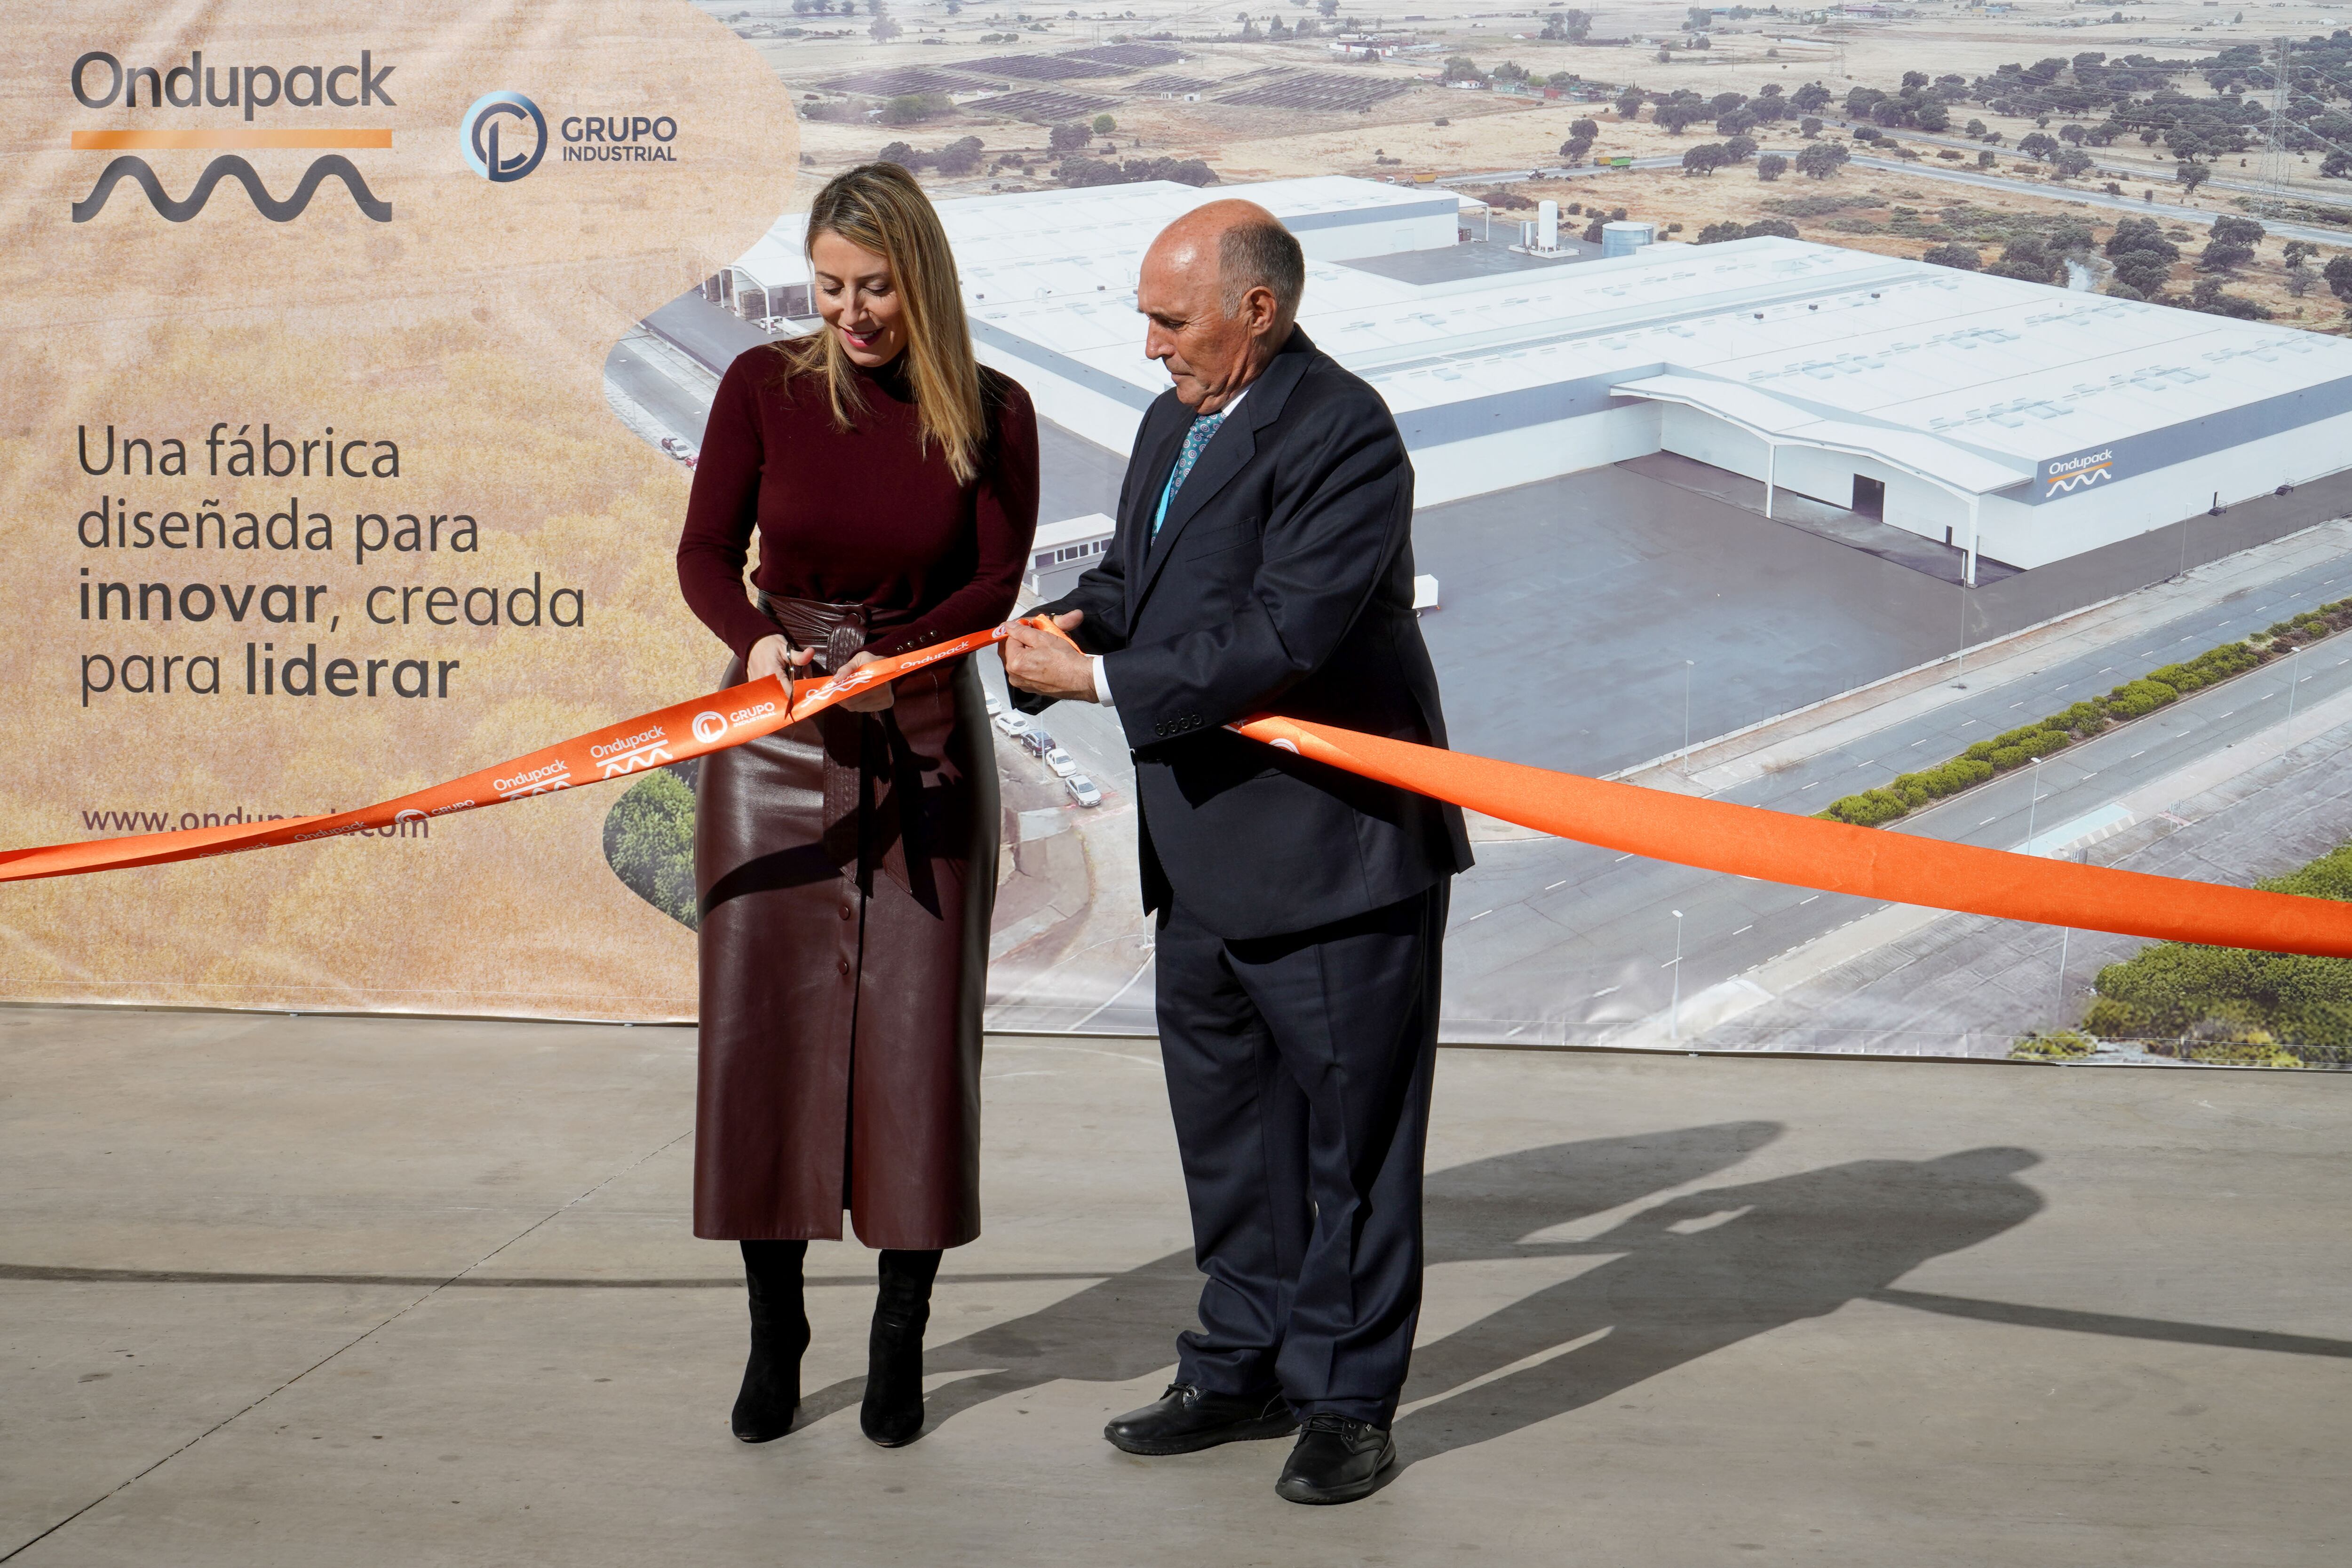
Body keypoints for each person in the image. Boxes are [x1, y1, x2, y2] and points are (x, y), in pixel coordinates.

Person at [1000, 199, 1470, 1505]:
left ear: (1256, 308)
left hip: (1333, 861)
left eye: (1170, 317)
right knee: (1231, 1139)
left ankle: (1348, 1404)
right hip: (1201, 857)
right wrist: (1059, 630)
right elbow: (1139, 592)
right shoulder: (1173, 421)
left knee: (1351, 1150)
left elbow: (1286, 637)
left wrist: (1095, 685)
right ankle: (1238, 1364)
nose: (1149, 344)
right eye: (1146, 317)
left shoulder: (1345, 433)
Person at [675, 163, 1039, 1450]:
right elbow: (707, 556)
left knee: (915, 1050)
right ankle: (777, 1339)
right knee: (762, 1048)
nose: (851, 313)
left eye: (874, 288)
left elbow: (994, 583)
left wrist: (900, 669)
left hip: (925, 740)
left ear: (920, 280)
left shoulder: (993, 409)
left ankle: (900, 1339)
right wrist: (762, 649)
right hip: (773, 750)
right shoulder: (758, 389)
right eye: (831, 288)